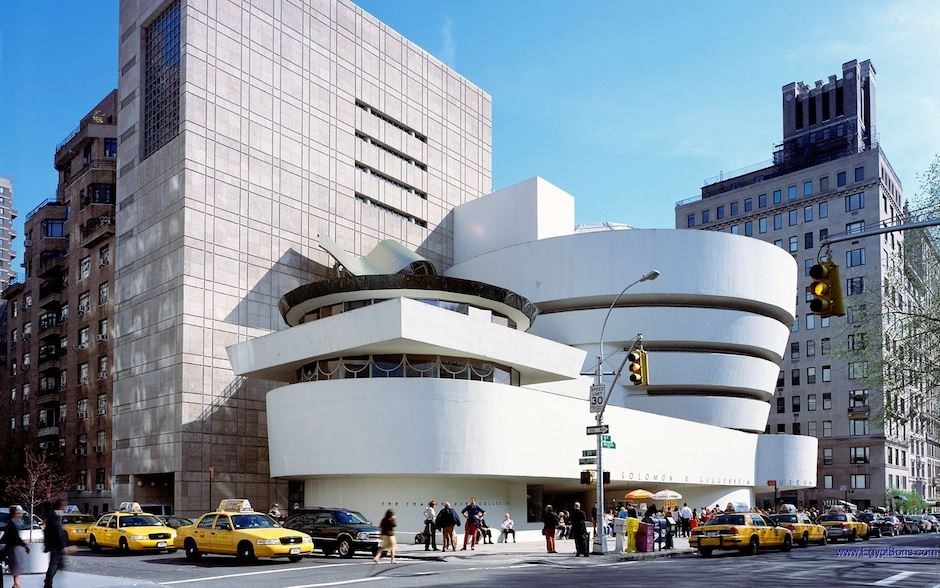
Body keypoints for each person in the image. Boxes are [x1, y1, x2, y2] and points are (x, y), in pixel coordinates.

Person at [43, 498, 73, 588]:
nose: (65, 507)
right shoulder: (55, 516)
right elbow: (58, 532)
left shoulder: (55, 515)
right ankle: (48, 583)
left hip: (55, 545)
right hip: (55, 546)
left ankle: (48, 581)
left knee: (56, 565)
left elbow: (60, 532)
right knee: (54, 566)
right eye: (64, 505)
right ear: (60, 505)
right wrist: (64, 546)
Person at [1, 506, 30, 588]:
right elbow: (15, 537)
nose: (20, 514)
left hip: (13, 547)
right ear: (14, 514)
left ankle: (16, 584)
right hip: (13, 548)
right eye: (18, 513)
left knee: (16, 567)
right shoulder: (12, 523)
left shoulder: (13, 522)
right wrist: (25, 545)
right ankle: (16, 585)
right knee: (16, 566)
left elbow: (7, 536)